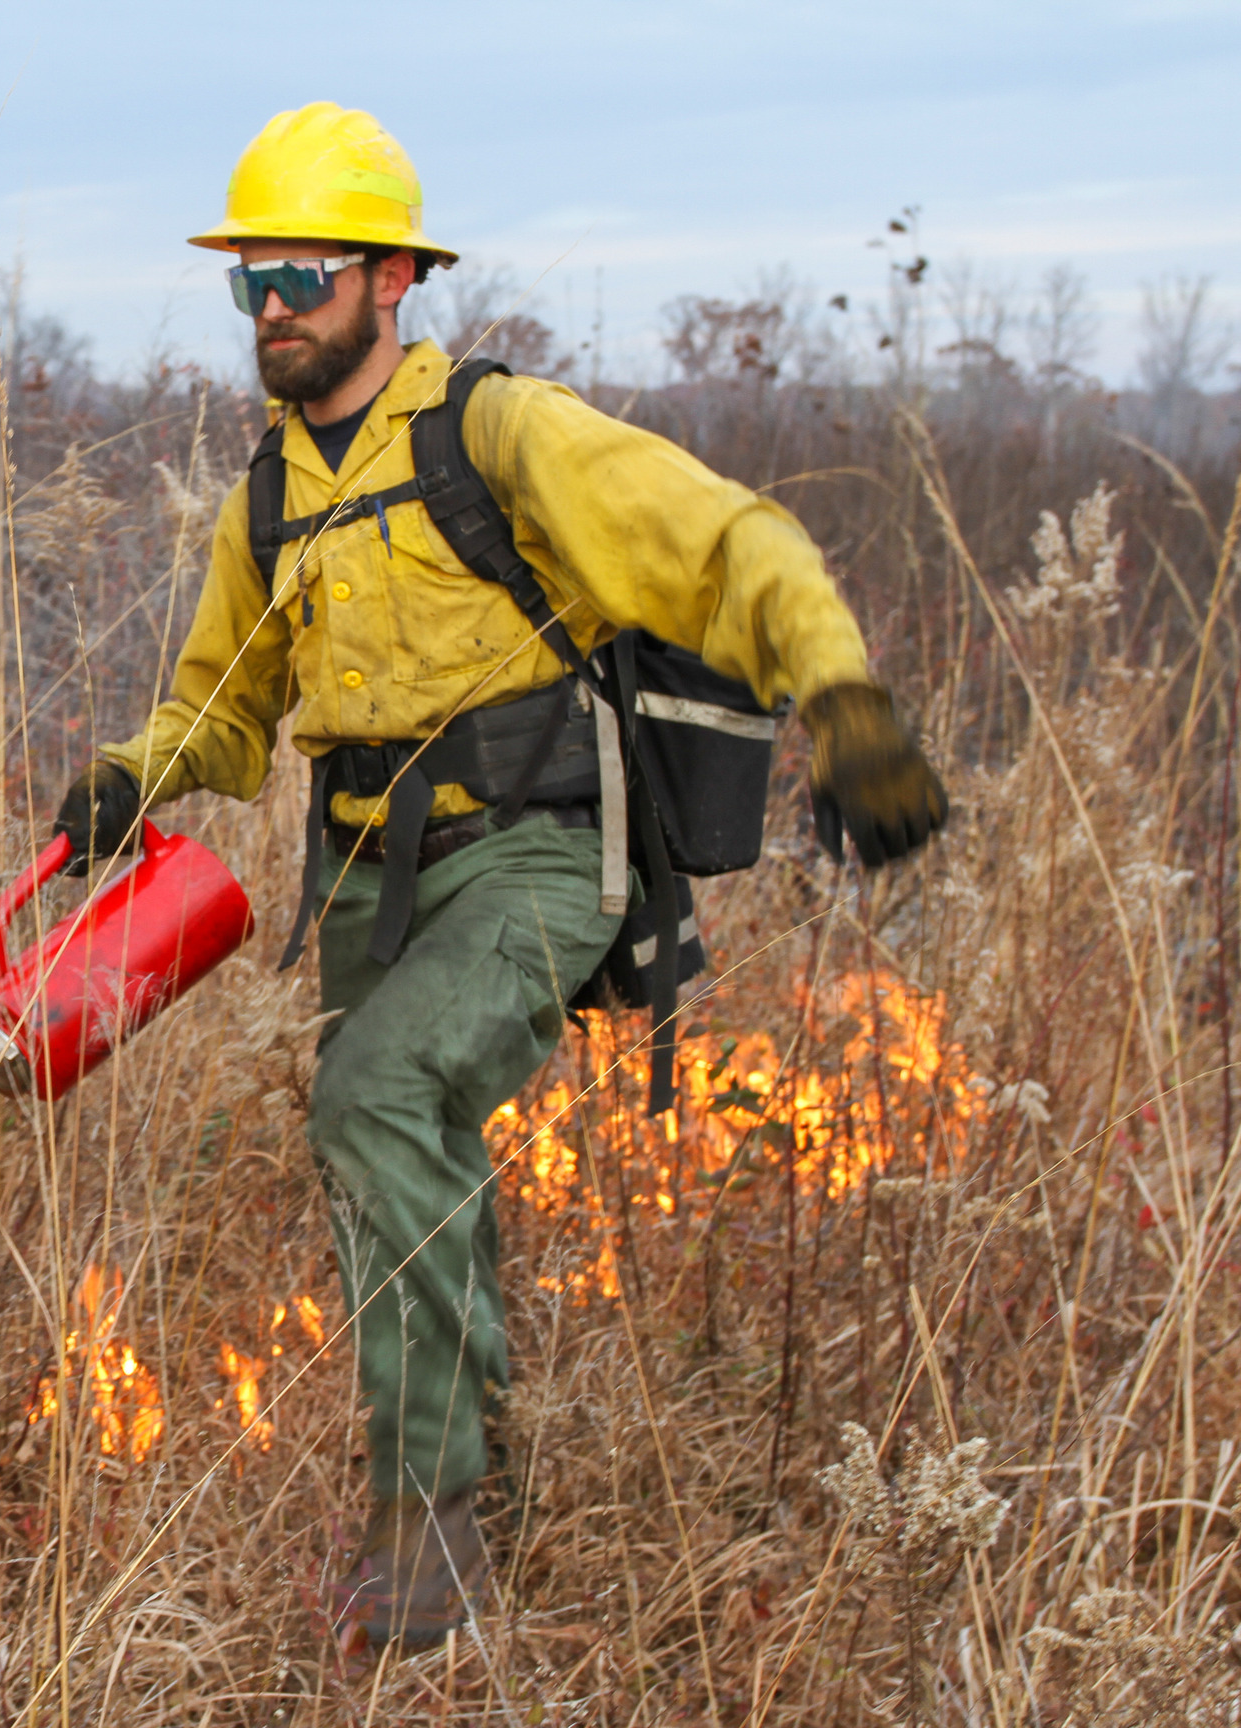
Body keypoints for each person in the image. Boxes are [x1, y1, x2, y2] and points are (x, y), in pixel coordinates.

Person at [50, 102, 947, 1660]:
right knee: (390, 1150)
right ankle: (484, 1459)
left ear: (393, 277)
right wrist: (141, 771)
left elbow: (728, 539)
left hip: (536, 852)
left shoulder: (499, 430)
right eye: (247, 280)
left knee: (375, 1104)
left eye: (304, 274)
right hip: (364, 878)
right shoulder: (269, 498)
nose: (271, 309)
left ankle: (430, 1515)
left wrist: (842, 696)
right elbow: (230, 699)